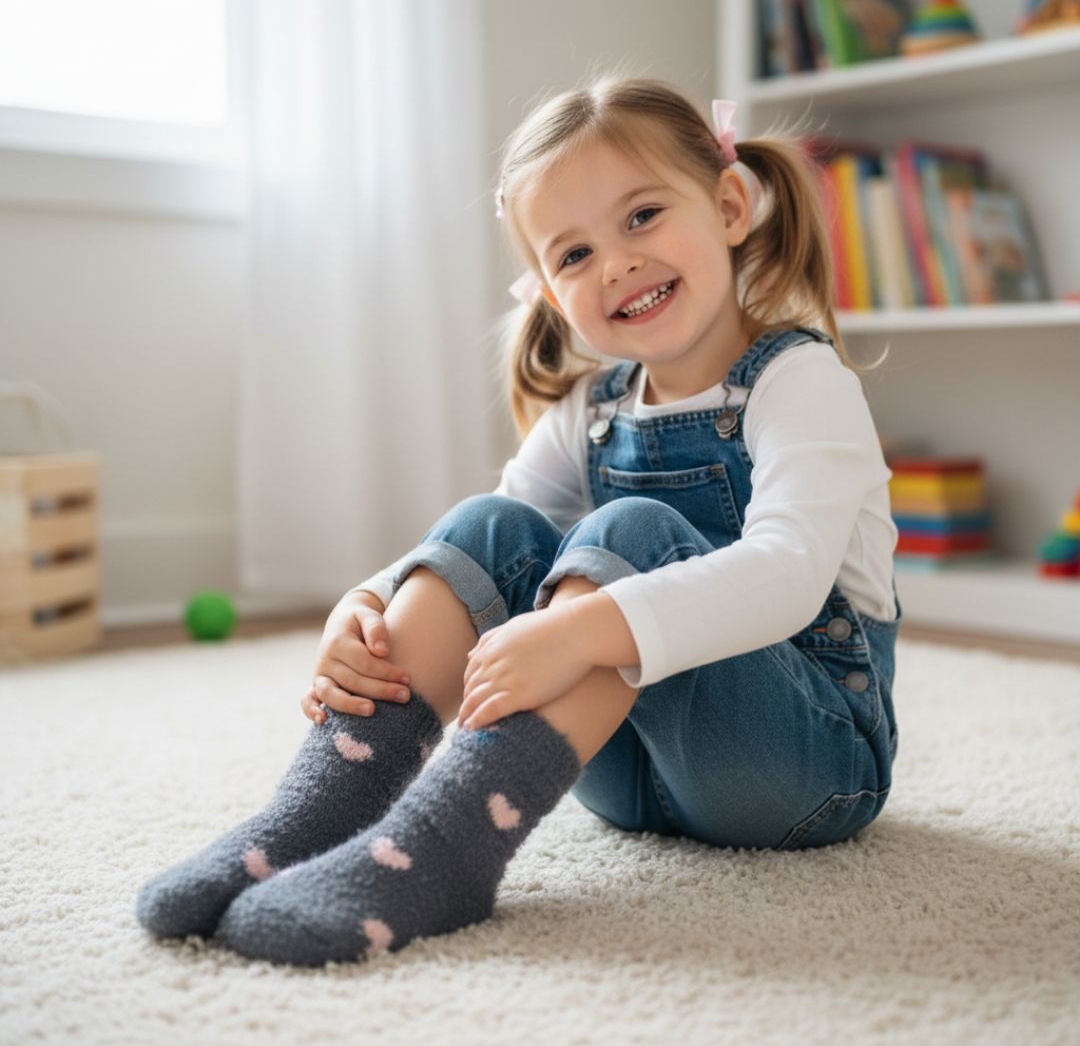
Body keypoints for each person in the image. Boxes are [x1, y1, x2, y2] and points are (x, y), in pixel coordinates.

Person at [135, 74, 902, 967]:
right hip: (625, 776)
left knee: (632, 532)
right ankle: (309, 821)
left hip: (803, 770)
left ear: (730, 205)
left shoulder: (800, 382)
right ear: (545, 290)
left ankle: (441, 855)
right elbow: (478, 564)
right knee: (492, 523)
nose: (614, 262)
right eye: (573, 255)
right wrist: (372, 602)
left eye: (643, 216)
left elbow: (788, 573)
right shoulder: (589, 407)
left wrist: (580, 632)